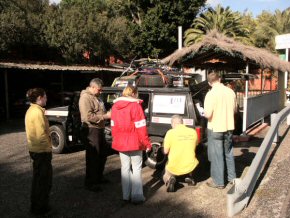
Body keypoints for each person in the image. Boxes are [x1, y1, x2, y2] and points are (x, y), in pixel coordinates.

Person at [111, 85, 151, 204]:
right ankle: (137, 196)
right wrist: (147, 143)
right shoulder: (136, 106)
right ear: (134, 93)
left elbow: (113, 126)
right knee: (137, 168)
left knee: (125, 169)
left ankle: (126, 195)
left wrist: (116, 139)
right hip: (135, 142)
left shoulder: (114, 106)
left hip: (120, 142)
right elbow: (141, 127)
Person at [204, 71, 237, 189]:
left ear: (209, 83)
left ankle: (219, 182)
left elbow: (208, 115)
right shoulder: (231, 92)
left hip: (216, 128)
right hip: (229, 127)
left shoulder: (210, 94)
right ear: (220, 79)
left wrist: (202, 112)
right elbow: (234, 110)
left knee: (217, 155)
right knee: (229, 152)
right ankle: (232, 178)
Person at [79, 78, 111, 192]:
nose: (100, 92)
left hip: (99, 128)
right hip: (91, 129)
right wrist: (105, 116)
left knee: (102, 154)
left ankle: (98, 177)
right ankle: (90, 182)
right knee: (93, 156)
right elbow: (88, 117)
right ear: (92, 87)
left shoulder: (96, 97)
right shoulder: (85, 98)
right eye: (99, 89)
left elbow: (99, 111)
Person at [25, 88, 52, 215]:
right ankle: (39, 209)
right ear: (39, 98)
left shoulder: (33, 110)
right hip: (41, 151)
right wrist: (48, 149)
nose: (46, 99)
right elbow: (41, 135)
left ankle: (37, 207)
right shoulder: (37, 112)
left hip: (35, 150)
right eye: (45, 97)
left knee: (38, 180)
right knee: (43, 181)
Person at [162, 115, 199, 192]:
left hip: (174, 165)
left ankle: (170, 179)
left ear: (173, 123)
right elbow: (195, 145)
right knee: (189, 159)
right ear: (182, 122)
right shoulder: (193, 131)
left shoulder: (170, 133)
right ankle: (189, 177)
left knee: (165, 170)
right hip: (190, 165)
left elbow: (165, 151)